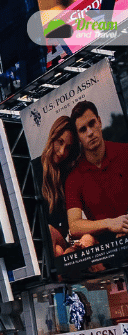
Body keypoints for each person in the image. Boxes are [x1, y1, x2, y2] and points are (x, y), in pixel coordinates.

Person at [65, 100, 128, 243]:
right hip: (105, 251)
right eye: (83, 129)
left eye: (92, 123)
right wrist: (110, 224)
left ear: (99, 122)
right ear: (78, 137)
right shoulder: (74, 178)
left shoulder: (125, 152)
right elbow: (74, 226)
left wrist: (124, 226)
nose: (90, 132)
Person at [40, 116, 96, 256]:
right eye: (60, 142)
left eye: (68, 147)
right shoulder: (34, 168)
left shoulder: (69, 174)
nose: (61, 152)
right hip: (42, 240)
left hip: (65, 237)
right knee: (56, 246)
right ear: (52, 137)